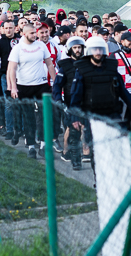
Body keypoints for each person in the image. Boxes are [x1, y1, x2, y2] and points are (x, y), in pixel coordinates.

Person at [69, 35, 131, 176]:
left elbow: (123, 91)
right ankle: (99, 178)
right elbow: (75, 95)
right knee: (97, 149)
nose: (98, 52)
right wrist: (74, 117)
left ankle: (114, 175)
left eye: (100, 49)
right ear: (89, 51)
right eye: (95, 49)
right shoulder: (82, 70)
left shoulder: (112, 68)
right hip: (92, 115)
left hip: (112, 113)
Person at [7, 24, 55, 159]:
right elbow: (12, 69)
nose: (35, 35)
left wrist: (55, 81)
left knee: (43, 115)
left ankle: (43, 144)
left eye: (36, 33)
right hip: (24, 86)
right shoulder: (18, 48)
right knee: (28, 117)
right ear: (24, 34)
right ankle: (31, 146)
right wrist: (13, 87)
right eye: (32, 33)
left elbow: (49, 63)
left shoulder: (41, 46)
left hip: (41, 84)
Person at [52, 36, 85, 170]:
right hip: (70, 102)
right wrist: (59, 100)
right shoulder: (64, 65)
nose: (77, 50)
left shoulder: (87, 63)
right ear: (70, 49)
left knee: (85, 128)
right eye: (75, 48)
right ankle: (66, 152)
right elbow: (57, 86)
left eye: (79, 47)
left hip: (86, 101)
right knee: (71, 129)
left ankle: (85, 152)